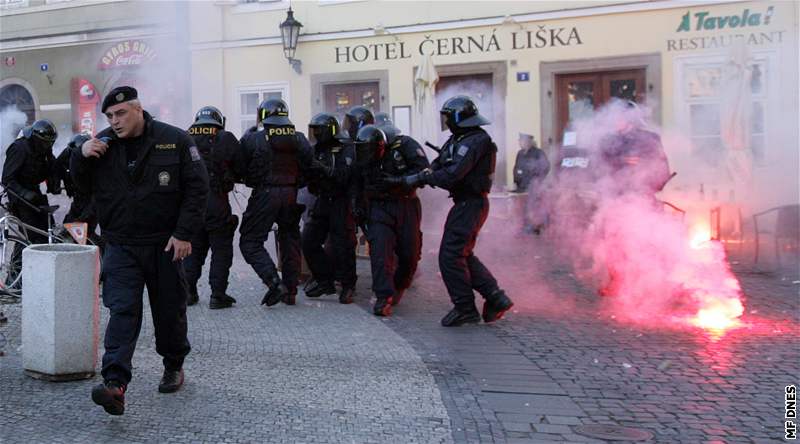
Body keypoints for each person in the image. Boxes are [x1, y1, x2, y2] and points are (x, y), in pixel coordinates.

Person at [72, 86, 209, 415]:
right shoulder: (102, 145)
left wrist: (184, 233)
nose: (114, 122)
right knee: (122, 310)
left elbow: (197, 187)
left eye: (120, 114)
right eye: (109, 116)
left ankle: (174, 365)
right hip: (120, 244)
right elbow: (79, 188)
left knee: (169, 311)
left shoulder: (174, 139)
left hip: (165, 244)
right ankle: (115, 384)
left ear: (138, 110)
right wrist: (80, 156)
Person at [384, 95, 513, 327]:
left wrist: (422, 177)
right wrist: (413, 177)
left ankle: (465, 307)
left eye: (447, 116)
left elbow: (452, 174)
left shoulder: (475, 141)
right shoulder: (459, 138)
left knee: (450, 256)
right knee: (460, 253)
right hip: (464, 203)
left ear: (458, 117)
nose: (445, 121)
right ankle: (495, 296)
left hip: (471, 203)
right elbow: (439, 165)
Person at [238, 98, 311, 307]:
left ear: (262, 116)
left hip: (264, 194)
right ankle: (291, 291)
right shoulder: (299, 138)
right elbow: (310, 167)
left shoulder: (254, 139)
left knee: (249, 242)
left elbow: (240, 167)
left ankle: (273, 282)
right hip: (291, 194)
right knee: (290, 238)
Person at [354, 124, 428, 316]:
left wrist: (400, 181)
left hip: (405, 203)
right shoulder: (360, 155)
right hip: (378, 207)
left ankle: (400, 285)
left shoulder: (405, 147)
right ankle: (382, 296)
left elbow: (424, 171)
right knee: (380, 250)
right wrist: (358, 206)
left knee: (409, 254)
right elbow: (356, 183)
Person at [183, 106, 240, 309]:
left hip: (193, 203)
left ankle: (188, 292)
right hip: (218, 200)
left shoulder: (185, 137)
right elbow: (240, 165)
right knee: (221, 249)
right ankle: (218, 295)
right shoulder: (226, 138)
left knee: (194, 248)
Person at [302, 112, 358, 304]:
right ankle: (325, 280)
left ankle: (348, 285)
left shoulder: (346, 147)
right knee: (308, 240)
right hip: (322, 200)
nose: (316, 133)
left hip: (341, 202)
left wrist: (323, 169)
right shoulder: (316, 149)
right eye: (314, 129)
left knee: (343, 245)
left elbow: (345, 176)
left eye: (319, 129)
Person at [1, 119, 59, 285]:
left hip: (34, 194)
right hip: (19, 198)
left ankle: (38, 277)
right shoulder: (19, 148)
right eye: (46, 143)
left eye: (50, 143)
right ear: (36, 138)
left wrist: (54, 183)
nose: (48, 147)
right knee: (27, 238)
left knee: (45, 234)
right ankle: (15, 281)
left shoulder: (44, 148)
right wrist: (24, 194)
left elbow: (52, 166)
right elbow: (7, 179)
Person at [52, 133, 103, 247]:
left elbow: (97, 196)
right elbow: (56, 167)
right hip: (78, 196)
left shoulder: (95, 158)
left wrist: (83, 218)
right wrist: (54, 184)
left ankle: (102, 252)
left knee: (85, 228)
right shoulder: (67, 153)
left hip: (93, 197)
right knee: (68, 226)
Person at [512, 133, 550, 234]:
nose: (521, 142)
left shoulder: (538, 153)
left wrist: (537, 179)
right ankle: (527, 226)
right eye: (520, 141)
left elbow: (545, 167)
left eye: (523, 140)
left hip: (534, 186)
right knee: (524, 208)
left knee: (533, 206)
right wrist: (516, 182)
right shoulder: (520, 153)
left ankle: (535, 227)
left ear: (529, 142)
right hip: (522, 186)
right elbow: (516, 168)